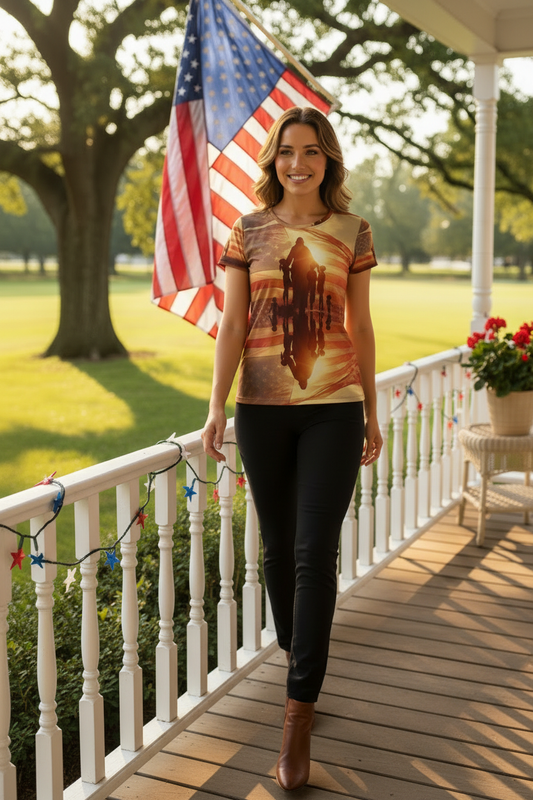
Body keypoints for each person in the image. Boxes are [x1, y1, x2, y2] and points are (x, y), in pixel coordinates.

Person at [201, 106, 383, 791]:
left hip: (333, 410)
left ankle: (297, 712)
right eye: (286, 151)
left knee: (314, 553)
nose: (297, 162)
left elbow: (359, 324)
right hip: (261, 412)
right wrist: (214, 407)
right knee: (276, 551)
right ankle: (298, 656)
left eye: (310, 151)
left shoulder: (352, 231)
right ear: (272, 159)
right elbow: (230, 326)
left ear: (326, 159)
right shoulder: (247, 231)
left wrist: (369, 410)